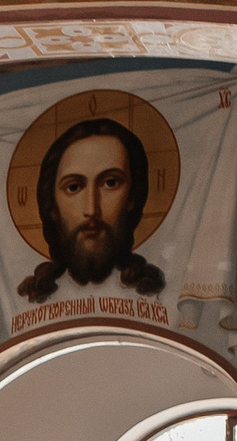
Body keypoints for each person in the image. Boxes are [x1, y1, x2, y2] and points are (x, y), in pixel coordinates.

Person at [17, 116, 166, 302]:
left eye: (110, 183)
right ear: (52, 205)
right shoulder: (36, 292)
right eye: (73, 187)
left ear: (132, 197)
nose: (92, 209)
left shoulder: (153, 293)